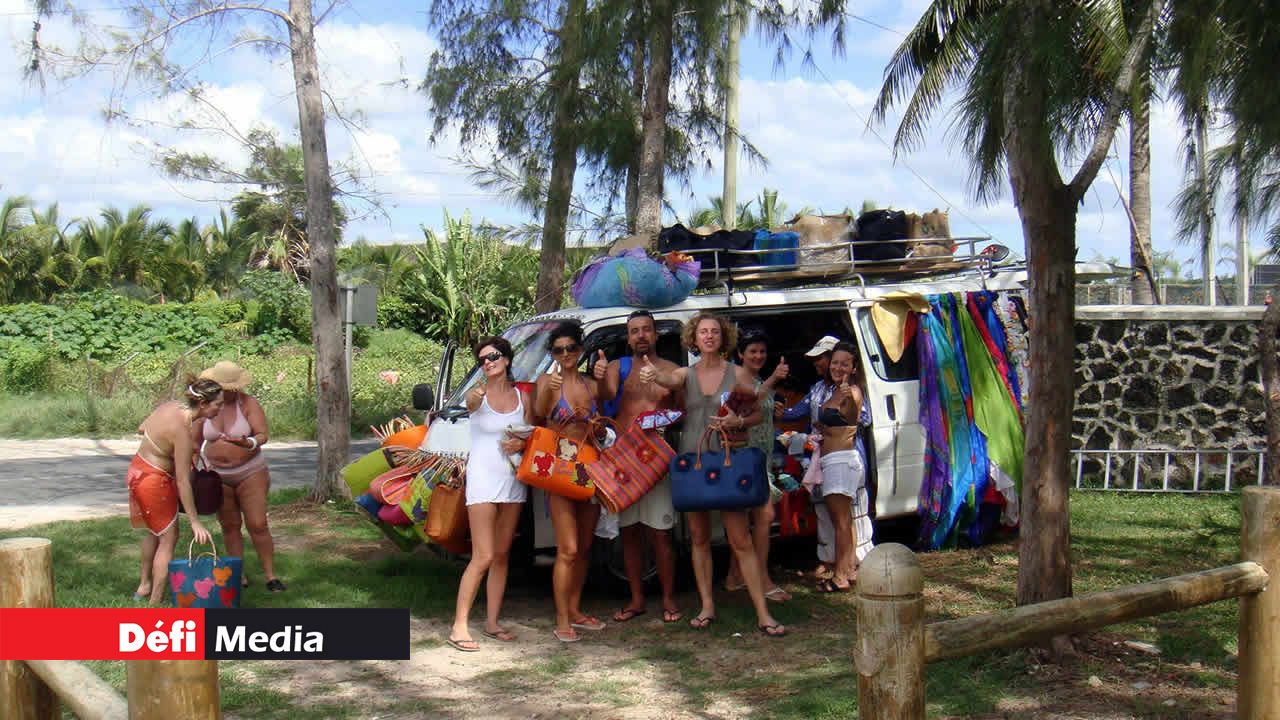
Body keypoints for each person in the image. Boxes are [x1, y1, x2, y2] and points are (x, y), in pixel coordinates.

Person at [641, 311, 787, 637]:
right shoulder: (685, 373)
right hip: (693, 464)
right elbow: (669, 381)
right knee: (699, 538)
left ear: (723, 339)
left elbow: (754, 416)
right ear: (694, 338)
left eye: (715, 332)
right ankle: (707, 606)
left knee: (740, 539)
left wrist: (738, 422)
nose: (709, 337)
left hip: (726, 464)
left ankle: (763, 613)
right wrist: (653, 375)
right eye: (703, 332)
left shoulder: (738, 374)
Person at [448, 337, 534, 651]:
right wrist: (476, 394)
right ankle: (459, 626)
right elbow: (470, 404)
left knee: (501, 555)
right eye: (482, 359)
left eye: (494, 356)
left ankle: (492, 622)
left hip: (512, 481)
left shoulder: (524, 398)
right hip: (483, 482)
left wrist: (523, 444)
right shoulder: (477, 396)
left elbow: (534, 434)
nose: (488, 362)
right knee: (482, 556)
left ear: (507, 359)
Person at [601, 311, 683, 625]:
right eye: (634, 331)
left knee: (660, 535)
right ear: (628, 336)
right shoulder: (614, 369)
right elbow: (603, 399)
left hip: (655, 461)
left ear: (656, 335)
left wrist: (663, 417)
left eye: (646, 330)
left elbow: (682, 412)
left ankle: (668, 598)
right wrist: (598, 376)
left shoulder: (672, 371)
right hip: (622, 460)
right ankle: (636, 599)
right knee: (629, 534)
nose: (641, 336)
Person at [534, 322, 607, 643]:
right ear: (552, 353)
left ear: (580, 350)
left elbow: (602, 429)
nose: (565, 355)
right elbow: (538, 414)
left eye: (571, 348)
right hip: (560, 471)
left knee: (585, 548)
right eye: (558, 350)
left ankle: (576, 610)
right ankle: (562, 618)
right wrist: (555, 406)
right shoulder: (547, 381)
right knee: (568, 548)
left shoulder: (592, 386)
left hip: (589, 467)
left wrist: (594, 424)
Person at [129, 378, 221, 604]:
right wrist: (195, 521)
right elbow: (182, 481)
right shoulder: (181, 430)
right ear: (202, 403)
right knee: (169, 538)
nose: (220, 408)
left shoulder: (169, 406)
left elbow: (143, 428)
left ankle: (144, 586)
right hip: (153, 481)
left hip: (137, 470)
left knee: (155, 531)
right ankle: (155, 602)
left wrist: (166, 446)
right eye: (217, 404)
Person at [195, 361, 285, 592]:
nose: (228, 391)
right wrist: (192, 465)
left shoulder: (248, 403)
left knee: (257, 523)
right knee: (230, 524)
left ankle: (270, 575)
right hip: (216, 473)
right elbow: (195, 439)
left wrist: (249, 442)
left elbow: (262, 434)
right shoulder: (206, 406)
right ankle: (238, 574)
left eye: (231, 387)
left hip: (249, 471)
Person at [724, 331, 791, 602]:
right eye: (752, 351)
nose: (758, 356)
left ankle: (734, 576)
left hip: (760, 455)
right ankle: (762, 580)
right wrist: (775, 378)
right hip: (745, 456)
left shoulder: (759, 379)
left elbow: (761, 414)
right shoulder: (738, 380)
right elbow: (748, 403)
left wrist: (776, 415)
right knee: (762, 518)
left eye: (762, 351)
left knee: (748, 522)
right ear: (740, 354)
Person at [813, 341, 875, 592]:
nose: (838, 367)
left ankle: (839, 576)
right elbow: (836, 424)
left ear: (853, 367)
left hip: (841, 460)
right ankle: (848, 570)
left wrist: (848, 399)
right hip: (834, 459)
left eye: (844, 364)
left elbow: (850, 418)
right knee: (845, 521)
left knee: (840, 521)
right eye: (835, 362)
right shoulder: (834, 390)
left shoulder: (852, 392)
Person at [776, 336, 839, 579]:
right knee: (822, 507)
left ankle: (848, 560)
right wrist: (780, 411)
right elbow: (796, 412)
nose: (817, 364)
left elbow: (861, 421)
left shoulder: (848, 387)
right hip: (819, 457)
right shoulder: (817, 389)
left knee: (842, 509)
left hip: (839, 454)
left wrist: (824, 426)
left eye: (820, 359)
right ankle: (827, 558)